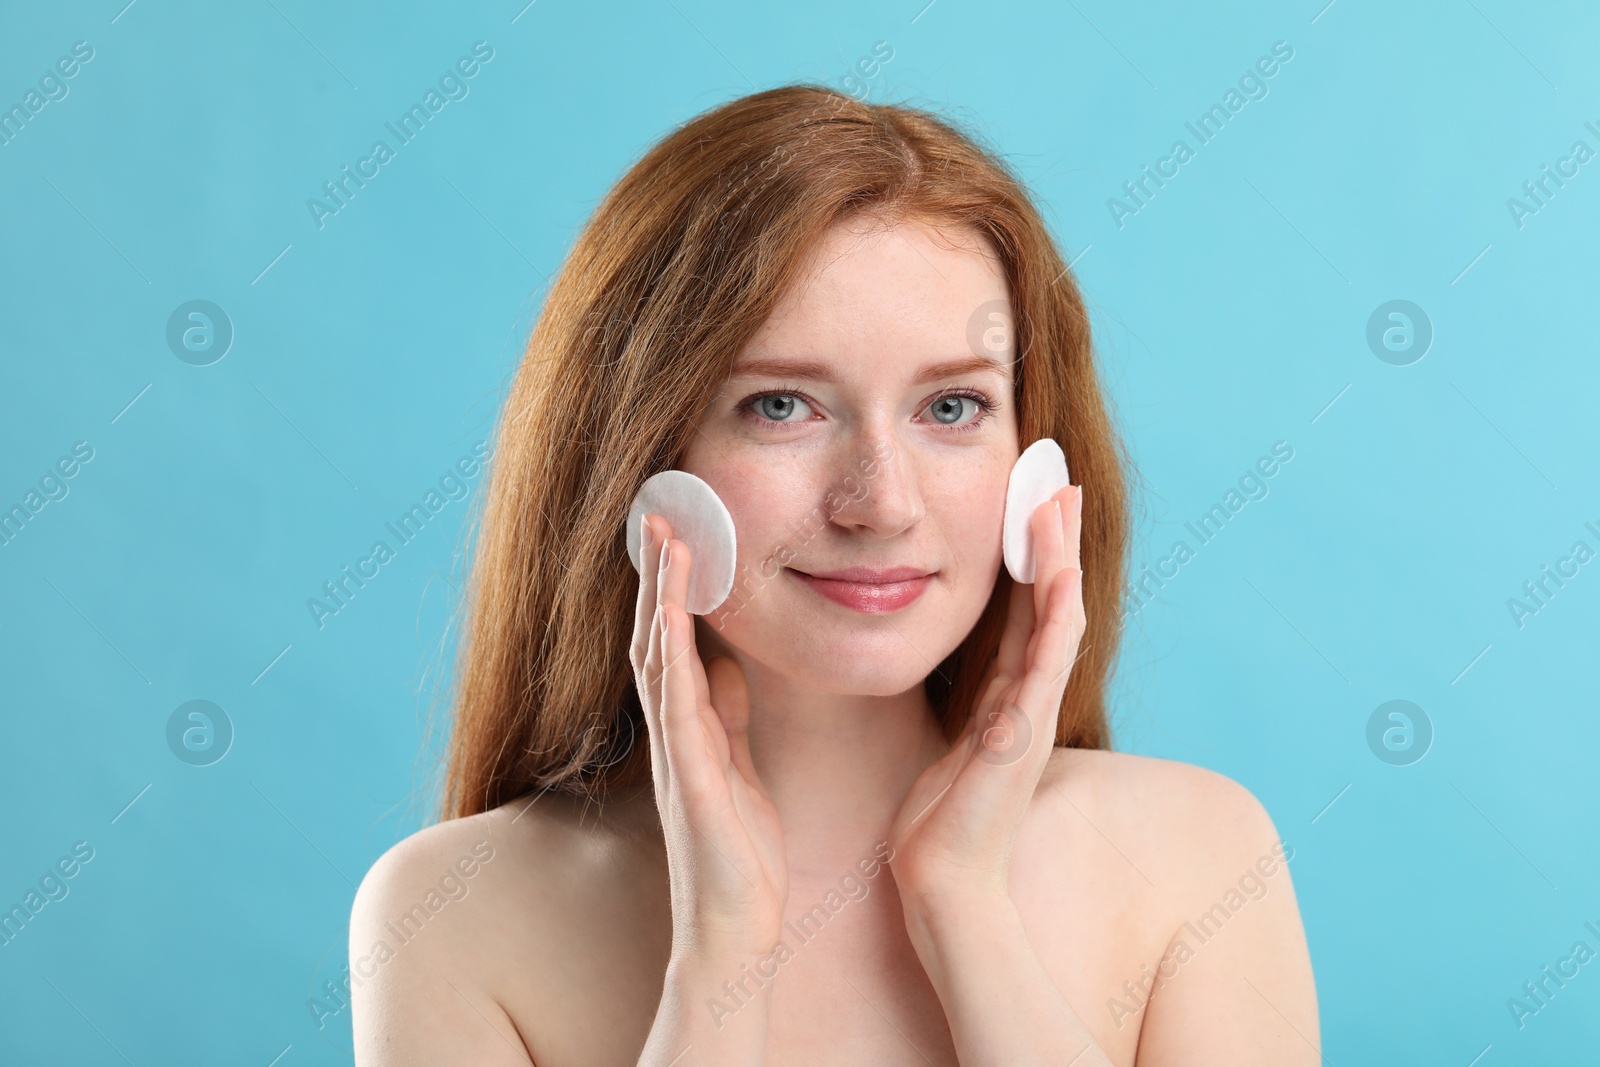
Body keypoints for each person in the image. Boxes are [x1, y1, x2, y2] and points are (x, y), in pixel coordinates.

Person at [349, 83, 1318, 1066]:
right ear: (643, 464)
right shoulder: (451, 915)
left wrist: (964, 904)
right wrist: (718, 958)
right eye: (780, 405)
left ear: (1037, 470)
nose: (880, 502)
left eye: (950, 408)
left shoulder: (1194, 857)